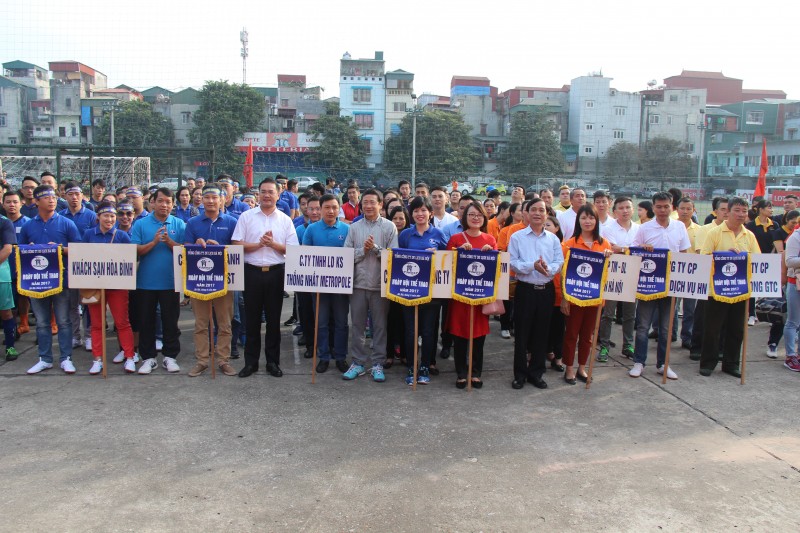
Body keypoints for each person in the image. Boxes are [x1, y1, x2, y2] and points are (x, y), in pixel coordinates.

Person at [232, 177, 298, 378]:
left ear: (278, 195)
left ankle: (272, 362)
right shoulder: (247, 216)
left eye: (271, 192)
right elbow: (236, 244)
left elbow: (293, 249)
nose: (267, 195)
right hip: (251, 272)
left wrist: (273, 245)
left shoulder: (285, 220)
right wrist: (259, 245)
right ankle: (250, 363)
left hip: (275, 273)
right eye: (263, 191)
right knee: (251, 321)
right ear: (258, 194)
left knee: (273, 321)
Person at [628, 192, 691, 380]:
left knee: (666, 327)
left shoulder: (679, 227)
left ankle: (663, 364)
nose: (663, 210)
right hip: (648, 285)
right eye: (659, 207)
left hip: (670, 284)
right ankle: (639, 362)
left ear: (672, 207)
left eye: (666, 206)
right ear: (653, 208)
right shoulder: (644, 228)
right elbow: (633, 252)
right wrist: (643, 248)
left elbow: (684, 254)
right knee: (643, 326)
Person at [21, 185, 82, 374]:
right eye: (46, 197)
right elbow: (19, 250)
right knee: (41, 323)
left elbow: (78, 250)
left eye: (54, 197)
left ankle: (66, 358)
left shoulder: (66, 223)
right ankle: (45, 358)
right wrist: (30, 249)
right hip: (37, 282)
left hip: (61, 281)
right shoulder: (29, 225)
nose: (52, 200)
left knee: (64, 321)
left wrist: (59, 249)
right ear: (37, 201)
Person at [699, 197, 761, 377]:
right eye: (737, 210)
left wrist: (745, 256)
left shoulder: (749, 235)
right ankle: (708, 362)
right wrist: (724, 255)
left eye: (744, 211)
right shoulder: (715, 233)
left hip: (740, 290)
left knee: (737, 329)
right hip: (717, 290)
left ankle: (731, 363)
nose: (741, 214)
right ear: (728, 212)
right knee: (712, 328)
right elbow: (704, 257)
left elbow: (757, 260)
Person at [183, 184, 238, 377]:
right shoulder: (193, 223)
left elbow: (237, 249)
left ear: (222, 199)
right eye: (207, 197)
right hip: (199, 281)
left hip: (223, 281)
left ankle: (223, 360)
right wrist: (195, 244)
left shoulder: (232, 222)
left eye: (215, 197)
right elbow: (185, 247)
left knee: (224, 323)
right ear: (201, 200)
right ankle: (202, 361)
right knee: (201, 324)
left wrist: (221, 247)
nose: (211, 201)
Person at [343, 188, 398, 382]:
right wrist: (362, 251)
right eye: (364, 202)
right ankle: (358, 363)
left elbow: (393, 256)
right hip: (358, 284)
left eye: (372, 202)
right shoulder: (354, 228)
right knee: (357, 326)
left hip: (379, 285)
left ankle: (377, 364)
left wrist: (374, 249)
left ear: (380, 204)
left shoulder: (389, 227)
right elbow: (346, 255)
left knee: (380, 327)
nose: (368, 205)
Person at [509, 198, 564, 390]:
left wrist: (549, 269)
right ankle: (520, 374)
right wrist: (532, 266)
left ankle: (536, 373)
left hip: (545, 291)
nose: (538, 213)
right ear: (526, 213)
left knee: (542, 333)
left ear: (547, 214)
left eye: (542, 210)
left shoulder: (553, 239)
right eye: (533, 210)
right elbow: (513, 263)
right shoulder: (517, 237)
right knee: (522, 334)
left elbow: (560, 261)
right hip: (525, 290)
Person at [131, 188, 186, 375]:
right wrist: (154, 242)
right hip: (145, 283)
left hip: (171, 282)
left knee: (171, 320)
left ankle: (170, 356)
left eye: (169, 202)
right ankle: (148, 358)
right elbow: (134, 251)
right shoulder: (141, 224)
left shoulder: (179, 224)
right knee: (146, 320)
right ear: (152, 202)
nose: (165, 205)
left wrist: (169, 242)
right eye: (161, 201)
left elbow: (186, 252)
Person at [445, 200, 497, 389]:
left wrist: (491, 254)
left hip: (481, 296)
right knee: (460, 334)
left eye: (479, 215)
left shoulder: (490, 240)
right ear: (464, 217)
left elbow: (498, 268)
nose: (475, 218)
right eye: (471, 214)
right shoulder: (457, 239)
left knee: (478, 336)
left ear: (484, 218)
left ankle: (475, 372)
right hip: (460, 296)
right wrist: (457, 253)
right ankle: (461, 372)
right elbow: (446, 265)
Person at [560, 204, 613, 384]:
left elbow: (609, 272)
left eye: (591, 218)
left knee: (588, 336)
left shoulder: (604, 244)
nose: (587, 221)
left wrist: (609, 256)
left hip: (594, 299)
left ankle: (582, 367)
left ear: (596, 220)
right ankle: (569, 368)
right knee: (571, 335)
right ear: (578, 221)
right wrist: (565, 299)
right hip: (574, 299)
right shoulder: (569, 244)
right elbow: (563, 273)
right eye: (583, 218)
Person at [81, 202, 136, 374]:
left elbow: (130, 261)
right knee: (96, 324)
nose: (110, 219)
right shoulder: (89, 234)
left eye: (113, 216)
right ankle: (97, 358)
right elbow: (82, 258)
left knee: (122, 322)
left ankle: (129, 356)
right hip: (95, 286)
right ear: (98, 217)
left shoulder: (122, 236)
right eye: (106, 215)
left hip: (118, 286)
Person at [397, 195, 446, 385]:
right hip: (409, 291)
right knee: (410, 331)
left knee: (427, 332)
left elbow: (449, 260)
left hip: (432, 292)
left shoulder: (438, 235)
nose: (420, 214)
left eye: (423, 210)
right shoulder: (405, 235)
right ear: (411, 214)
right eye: (416, 210)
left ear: (430, 213)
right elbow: (398, 259)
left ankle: (425, 365)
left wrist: (438, 255)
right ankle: (411, 366)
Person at [302, 194, 351, 374]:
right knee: (320, 323)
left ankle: (340, 357)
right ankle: (323, 356)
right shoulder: (312, 230)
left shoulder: (347, 230)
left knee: (341, 323)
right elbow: (304, 256)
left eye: (334, 207)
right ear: (320, 209)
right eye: (327, 207)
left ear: (339, 209)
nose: (331, 211)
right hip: (318, 286)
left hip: (340, 286)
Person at [596, 196, 639, 361]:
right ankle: (604, 346)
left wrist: (622, 249)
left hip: (632, 275)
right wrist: (628, 250)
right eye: (621, 208)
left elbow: (637, 250)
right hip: (612, 275)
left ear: (632, 210)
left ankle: (628, 345)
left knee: (629, 314)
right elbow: (611, 249)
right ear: (615, 211)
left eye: (628, 207)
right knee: (608, 314)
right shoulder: (607, 229)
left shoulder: (638, 229)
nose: (625, 211)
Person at [60, 181, 98, 352]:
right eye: (70, 194)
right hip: (68, 265)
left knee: (88, 303)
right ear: (64, 196)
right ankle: (76, 336)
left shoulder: (91, 215)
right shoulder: (61, 216)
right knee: (72, 304)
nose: (74, 198)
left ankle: (89, 336)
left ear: (82, 196)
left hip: (88, 264)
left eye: (77, 194)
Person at [3, 191, 30, 337]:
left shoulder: (28, 223)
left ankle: (24, 323)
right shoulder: (2, 222)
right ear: (3, 204)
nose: (12, 205)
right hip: (6, 268)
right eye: (8, 202)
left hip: (24, 268)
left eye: (15, 201)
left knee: (23, 296)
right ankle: (12, 329)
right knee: (9, 300)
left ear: (22, 203)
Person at [386, 205, 410, 367]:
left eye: (402, 218)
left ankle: (404, 354)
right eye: (395, 218)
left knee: (405, 321)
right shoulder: (387, 233)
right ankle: (388, 354)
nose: (398, 221)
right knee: (390, 320)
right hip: (389, 283)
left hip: (409, 285)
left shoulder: (410, 236)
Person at [675, 197, 700, 349]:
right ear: (676, 210)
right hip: (674, 271)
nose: (685, 211)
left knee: (690, 309)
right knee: (672, 307)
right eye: (682, 208)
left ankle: (686, 337)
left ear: (693, 210)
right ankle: (669, 334)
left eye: (688, 209)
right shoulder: (672, 226)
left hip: (692, 272)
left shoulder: (700, 230)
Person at [544, 215, 566, 372]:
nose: (545, 227)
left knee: (559, 328)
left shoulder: (566, 247)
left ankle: (558, 357)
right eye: (543, 225)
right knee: (544, 326)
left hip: (561, 295)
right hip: (545, 292)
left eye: (549, 225)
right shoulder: (542, 245)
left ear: (557, 228)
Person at [0, 210, 17, 362]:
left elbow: (8, 249)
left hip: (1, 274)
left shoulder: (4, 222)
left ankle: (10, 346)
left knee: (5, 312)